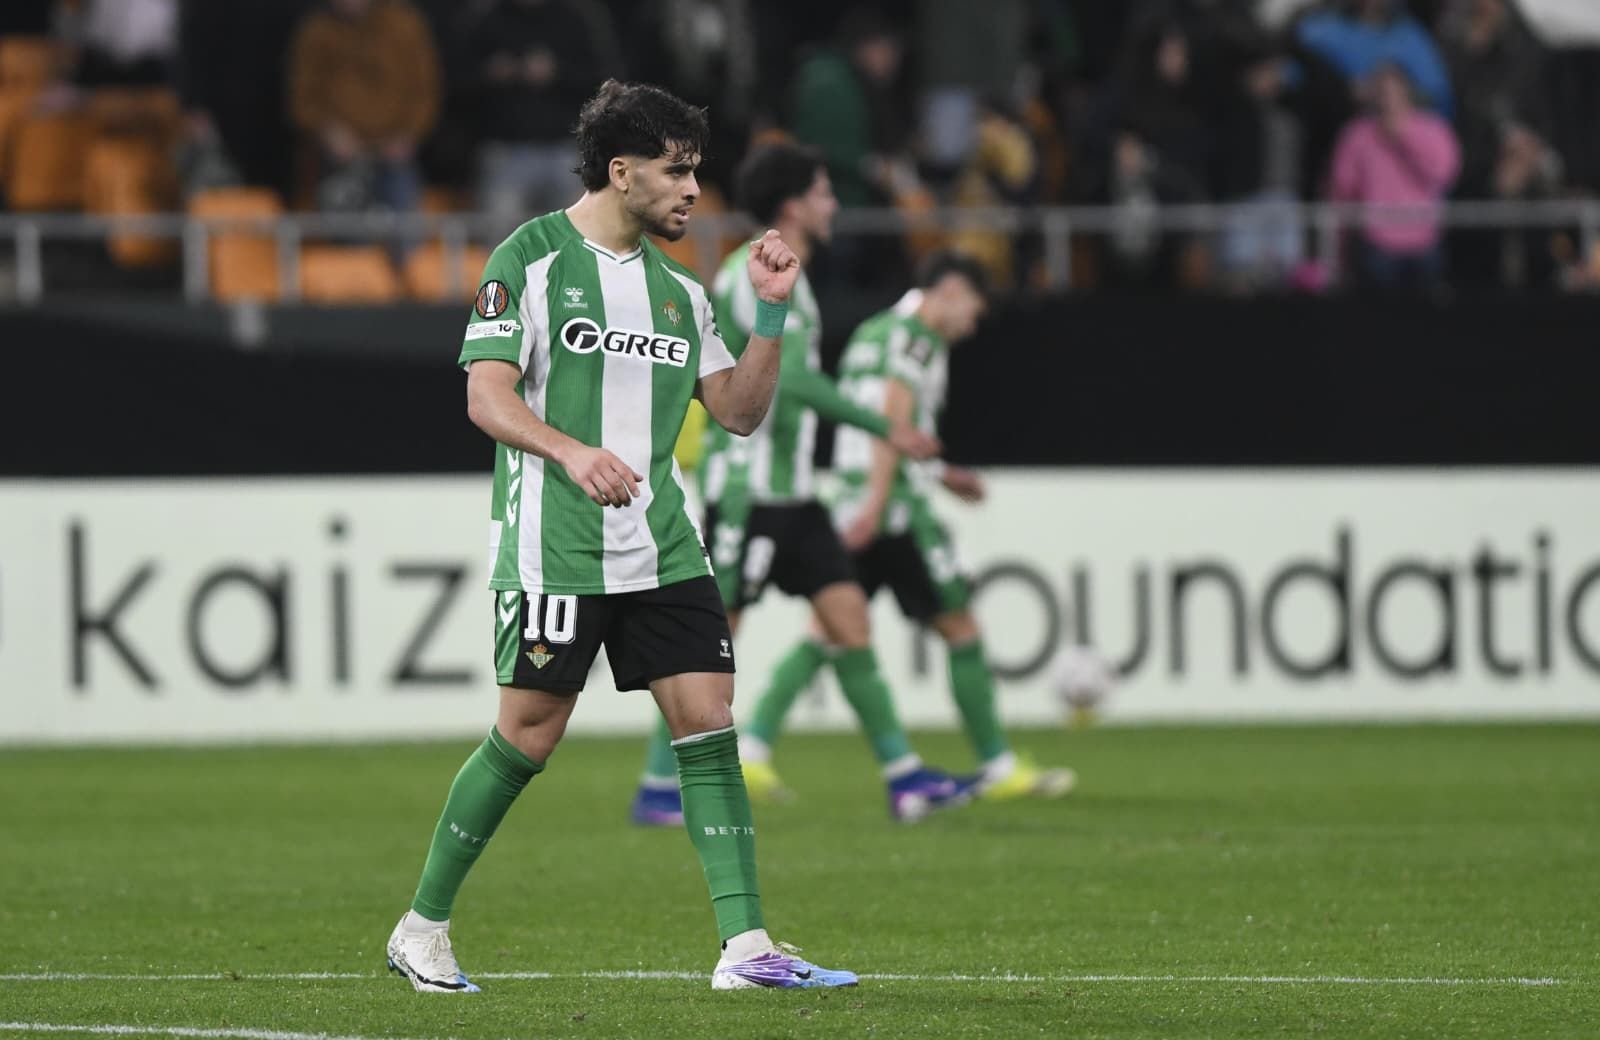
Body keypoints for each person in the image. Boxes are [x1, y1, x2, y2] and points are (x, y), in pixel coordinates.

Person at [384, 80, 857, 995]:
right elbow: (486, 395)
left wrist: (770, 313)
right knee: (527, 736)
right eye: (678, 173)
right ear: (621, 170)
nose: (692, 191)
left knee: (708, 720)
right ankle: (421, 928)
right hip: (554, 545)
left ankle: (746, 947)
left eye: (696, 173)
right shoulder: (527, 258)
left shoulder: (681, 291)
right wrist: (567, 451)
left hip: (664, 545)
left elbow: (742, 413)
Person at [627, 142, 970, 825]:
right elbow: (792, 382)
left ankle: (903, 777)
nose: (833, 203)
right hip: (747, 488)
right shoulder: (744, 275)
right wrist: (886, 425)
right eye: (823, 192)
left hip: (794, 492)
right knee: (711, 635)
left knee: (848, 618)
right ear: (793, 205)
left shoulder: (792, 275)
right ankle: (659, 786)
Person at [750, 253, 1077, 802]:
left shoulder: (877, 330)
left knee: (830, 630)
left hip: (855, 497)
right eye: (972, 309)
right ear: (949, 290)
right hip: (893, 508)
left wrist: (941, 473)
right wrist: (879, 506)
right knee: (960, 625)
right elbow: (893, 421)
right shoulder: (916, 337)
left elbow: (877, 418)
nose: (971, 325)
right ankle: (997, 764)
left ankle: (753, 749)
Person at [287, 0, 440, 216]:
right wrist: (328, 130)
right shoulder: (317, 31)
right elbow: (303, 97)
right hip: (339, 159)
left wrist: (408, 135)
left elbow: (425, 90)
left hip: (395, 157)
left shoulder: (404, 25)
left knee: (404, 232)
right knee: (343, 238)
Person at [1329, 61, 1460, 290]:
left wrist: (1404, 136)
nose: (1388, 98)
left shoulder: (1432, 128)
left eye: (1394, 91)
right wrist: (1342, 244)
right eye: (1382, 92)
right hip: (1376, 242)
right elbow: (1343, 188)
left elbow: (1443, 172)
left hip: (1424, 240)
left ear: (1407, 92)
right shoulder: (1357, 134)